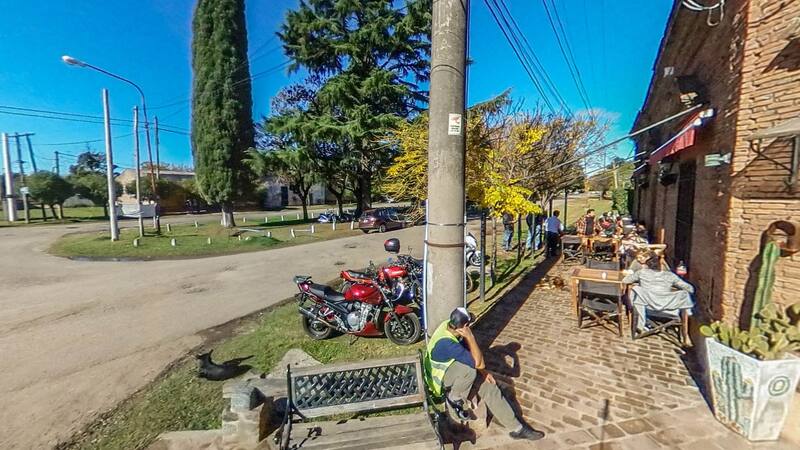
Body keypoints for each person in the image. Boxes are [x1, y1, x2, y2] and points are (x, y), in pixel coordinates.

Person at [425, 307, 545, 441]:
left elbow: (476, 362)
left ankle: (517, 429)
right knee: (470, 371)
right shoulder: (447, 343)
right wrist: (470, 337)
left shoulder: (450, 325)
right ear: (465, 327)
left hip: (454, 368)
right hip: (441, 380)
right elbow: (478, 363)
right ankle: (454, 397)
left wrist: (484, 373)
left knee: (488, 385)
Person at [623, 254, 695, 332]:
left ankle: (641, 325)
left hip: (648, 306)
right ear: (661, 266)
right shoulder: (670, 276)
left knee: (637, 291)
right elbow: (690, 289)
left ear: (647, 266)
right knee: (684, 294)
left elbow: (625, 280)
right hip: (668, 307)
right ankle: (686, 321)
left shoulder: (641, 273)